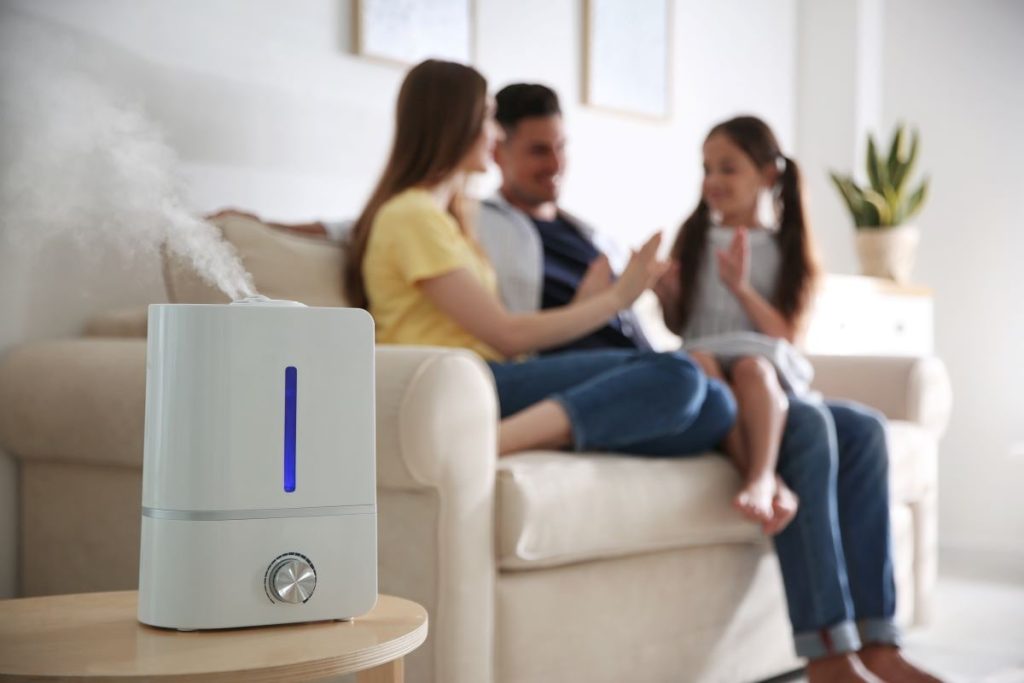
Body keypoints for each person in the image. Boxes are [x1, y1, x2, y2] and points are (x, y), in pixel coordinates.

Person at [479, 86, 941, 682]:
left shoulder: (592, 231)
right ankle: (828, 654)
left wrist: (649, 292)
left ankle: (878, 640)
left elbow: (707, 321)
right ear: (497, 151)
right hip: (657, 378)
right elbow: (406, 221)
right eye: (539, 150)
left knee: (864, 429)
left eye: (561, 148)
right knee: (805, 426)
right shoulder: (484, 223)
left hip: (671, 367)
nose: (557, 165)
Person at [346, 59, 736, 459]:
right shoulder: (411, 215)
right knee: (679, 374)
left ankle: (560, 428)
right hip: (467, 379)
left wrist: (594, 301)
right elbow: (506, 335)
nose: (494, 133)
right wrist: (616, 299)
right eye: (488, 119)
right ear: (455, 124)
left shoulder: (450, 217)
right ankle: (483, 446)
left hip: (495, 374)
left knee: (716, 407)